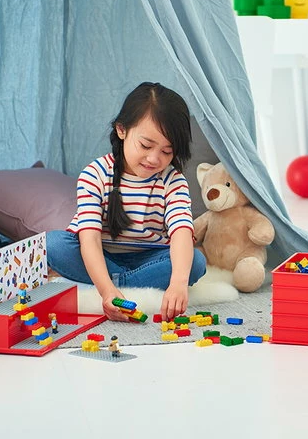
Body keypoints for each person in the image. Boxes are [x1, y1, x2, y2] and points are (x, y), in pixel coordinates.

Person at [46, 82, 207, 322]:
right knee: (52, 243)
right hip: (101, 255)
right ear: (122, 130)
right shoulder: (95, 173)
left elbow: (181, 232)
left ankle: (120, 283)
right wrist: (107, 292)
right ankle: (120, 284)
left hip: (150, 258)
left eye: (167, 151)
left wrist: (178, 284)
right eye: (146, 145)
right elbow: (89, 239)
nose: (154, 158)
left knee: (195, 262)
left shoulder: (173, 180)